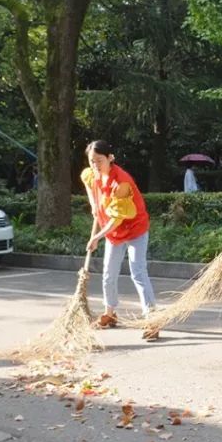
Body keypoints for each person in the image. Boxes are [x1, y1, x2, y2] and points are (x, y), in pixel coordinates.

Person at [80, 140, 157, 329]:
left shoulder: (121, 182)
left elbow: (118, 219)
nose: (95, 165)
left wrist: (96, 237)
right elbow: (87, 181)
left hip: (134, 229)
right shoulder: (92, 174)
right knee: (108, 274)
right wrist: (94, 205)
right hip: (114, 233)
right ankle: (110, 313)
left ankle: (152, 318)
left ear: (110, 158)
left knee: (138, 272)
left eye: (99, 160)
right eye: (92, 161)